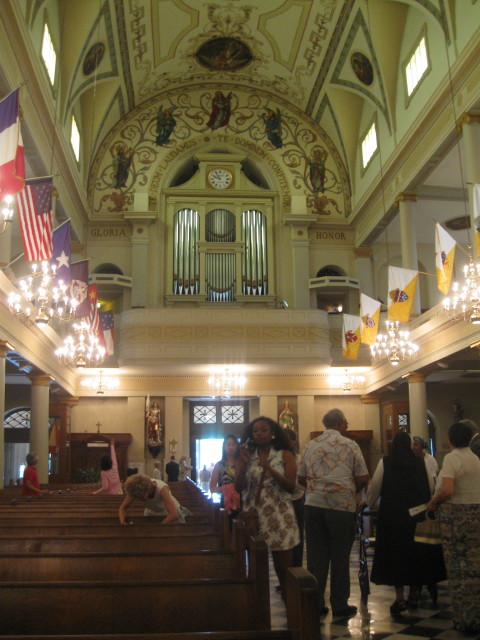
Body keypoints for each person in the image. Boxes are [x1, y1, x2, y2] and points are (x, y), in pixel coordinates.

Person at [298, 408, 369, 618]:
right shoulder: (350, 445)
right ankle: (339, 604)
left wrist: (317, 489)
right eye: (345, 423)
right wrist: (347, 491)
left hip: (313, 505)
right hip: (341, 508)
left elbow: (300, 478)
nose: (347, 426)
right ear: (339, 424)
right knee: (340, 556)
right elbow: (363, 477)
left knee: (316, 557)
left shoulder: (311, 445)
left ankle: (316, 603)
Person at [366, 431, 433, 615]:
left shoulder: (386, 463)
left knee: (396, 556)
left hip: (392, 517)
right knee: (415, 555)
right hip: (416, 517)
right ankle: (414, 594)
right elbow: (430, 487)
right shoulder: (421, 462)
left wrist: (368, 502)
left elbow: (375, 487)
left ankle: (399, 597)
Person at [235, 416, 299, 600]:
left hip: (279, 514)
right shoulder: (247, 456)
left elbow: (290, 486)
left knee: (283, 567)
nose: (259, 434)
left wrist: (270, 469)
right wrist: (243, 464)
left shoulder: (284, 454)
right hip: (255, 514)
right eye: (255, 431)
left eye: (263, 430)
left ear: (272, 433)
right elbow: (238, 487)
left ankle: (290, 604)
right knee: (256, 565)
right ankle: (257, 605)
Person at [427, 422, 480, 633]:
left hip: (457, 518)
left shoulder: (452, 458)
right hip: (476, 515)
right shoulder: (475, 458)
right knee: (474, 569)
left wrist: (434, 501)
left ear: (450, 439)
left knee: (459, 570)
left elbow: (448, 489)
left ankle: (465, 619)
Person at [119, 474, 191, 524]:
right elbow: (123, 508)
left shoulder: (161, 489)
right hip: (151, 513)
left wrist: (158, 528)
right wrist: (123, 522)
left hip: (169, 513)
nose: (139, 499)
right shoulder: (135, 489)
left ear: (147, 490)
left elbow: (174, 514)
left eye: (141, 497)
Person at [284, 428, 305, 567]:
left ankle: (297, 569)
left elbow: (301, 482)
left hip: (297, 500)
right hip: (281, 501)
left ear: (292, 442)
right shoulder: (276, 459)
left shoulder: (299, 459)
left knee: (297, 537)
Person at [209, 434, 241, 519]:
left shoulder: (241, 464)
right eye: (229, 444)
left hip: (241, 500)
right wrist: (227, 488)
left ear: (237, 447)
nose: (231, 447)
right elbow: (212, 488)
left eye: (233, 444)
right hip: (225, 501)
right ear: (224, 446)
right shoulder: (219, 465)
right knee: (226, 524)